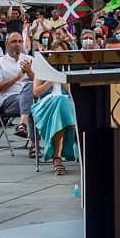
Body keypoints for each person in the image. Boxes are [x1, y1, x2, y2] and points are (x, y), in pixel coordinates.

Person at [31, 42, 78, 176]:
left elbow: (72, 93)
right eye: (56, 53)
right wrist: (51, 79)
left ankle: (57, 157)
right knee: (61, 102)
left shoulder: (71, 69)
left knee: (62, 102)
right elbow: (36, 93)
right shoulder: (42, 70)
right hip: (45, 106)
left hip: (67, 104)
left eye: (62, 54)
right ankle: (75, 139)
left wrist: (63, 77)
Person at [0, 32, 35, 145]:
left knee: (33, 101)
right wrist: (16, 78)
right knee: (34, 104)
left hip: (28, 100)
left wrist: (29, 71)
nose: (17, 44)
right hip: (7, 101)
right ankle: (34, 145)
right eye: (14, 42)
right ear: (6, 44)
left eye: (20, 41)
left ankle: (22, 125)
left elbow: (40, 82)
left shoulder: (29, 59)